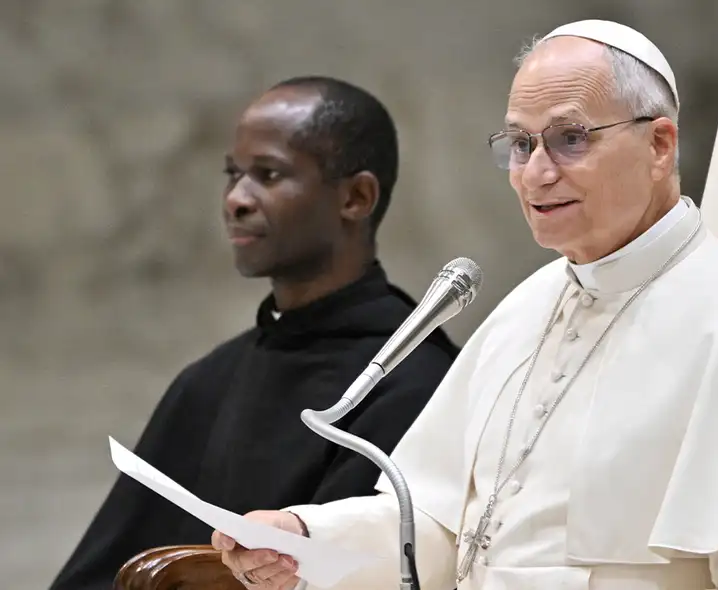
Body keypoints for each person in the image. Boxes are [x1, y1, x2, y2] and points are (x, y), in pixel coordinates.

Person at [213, 21, 718, 590]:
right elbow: (447, 529)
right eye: (520, 144)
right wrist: (306, 534)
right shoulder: (525, 309)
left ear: (658, 145)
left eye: (571, 139)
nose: (536, 173)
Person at [49, 76, 460, 590]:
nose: (236, 199)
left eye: (268, 174)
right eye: (232, 174)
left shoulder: (418, 380)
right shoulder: (209, 381)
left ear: (356, 197)